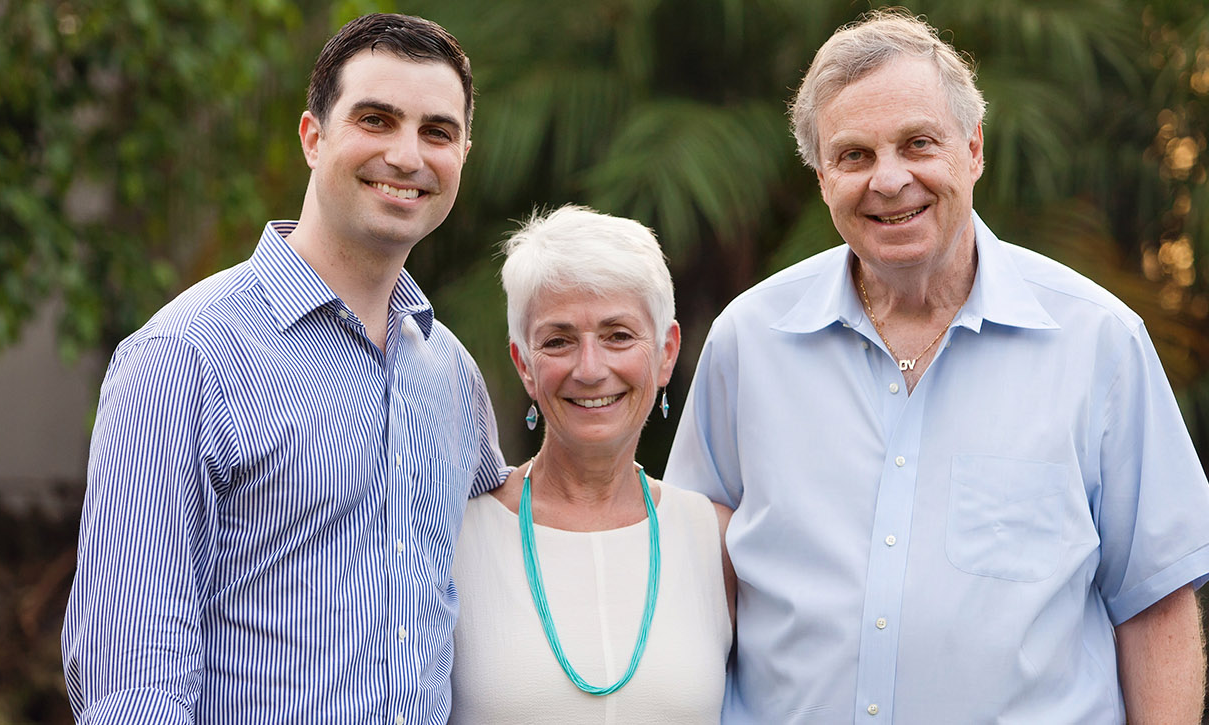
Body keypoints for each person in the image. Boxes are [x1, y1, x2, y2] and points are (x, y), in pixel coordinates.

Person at [666, 9, 1209, 723]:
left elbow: (1156, 605)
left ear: (973, 149)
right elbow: (691, 580)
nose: (890, 179)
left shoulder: (1098, 344)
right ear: (821, 177)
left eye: (918, 144)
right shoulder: (748, 342)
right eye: (854, 155)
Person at [61, 14, 504, 724]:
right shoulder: (184, 358)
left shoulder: (450, 372)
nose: (406, 154)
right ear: (312, 136)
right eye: (376, 119)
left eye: (437, 132)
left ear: (462, 156)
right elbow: (131, 678)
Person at [449, 205, 735, 723]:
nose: (589, 368)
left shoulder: (716, 542)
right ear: (524, 365)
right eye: (558, 341)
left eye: (618, 335)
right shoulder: (453, 536)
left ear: (667, 352)